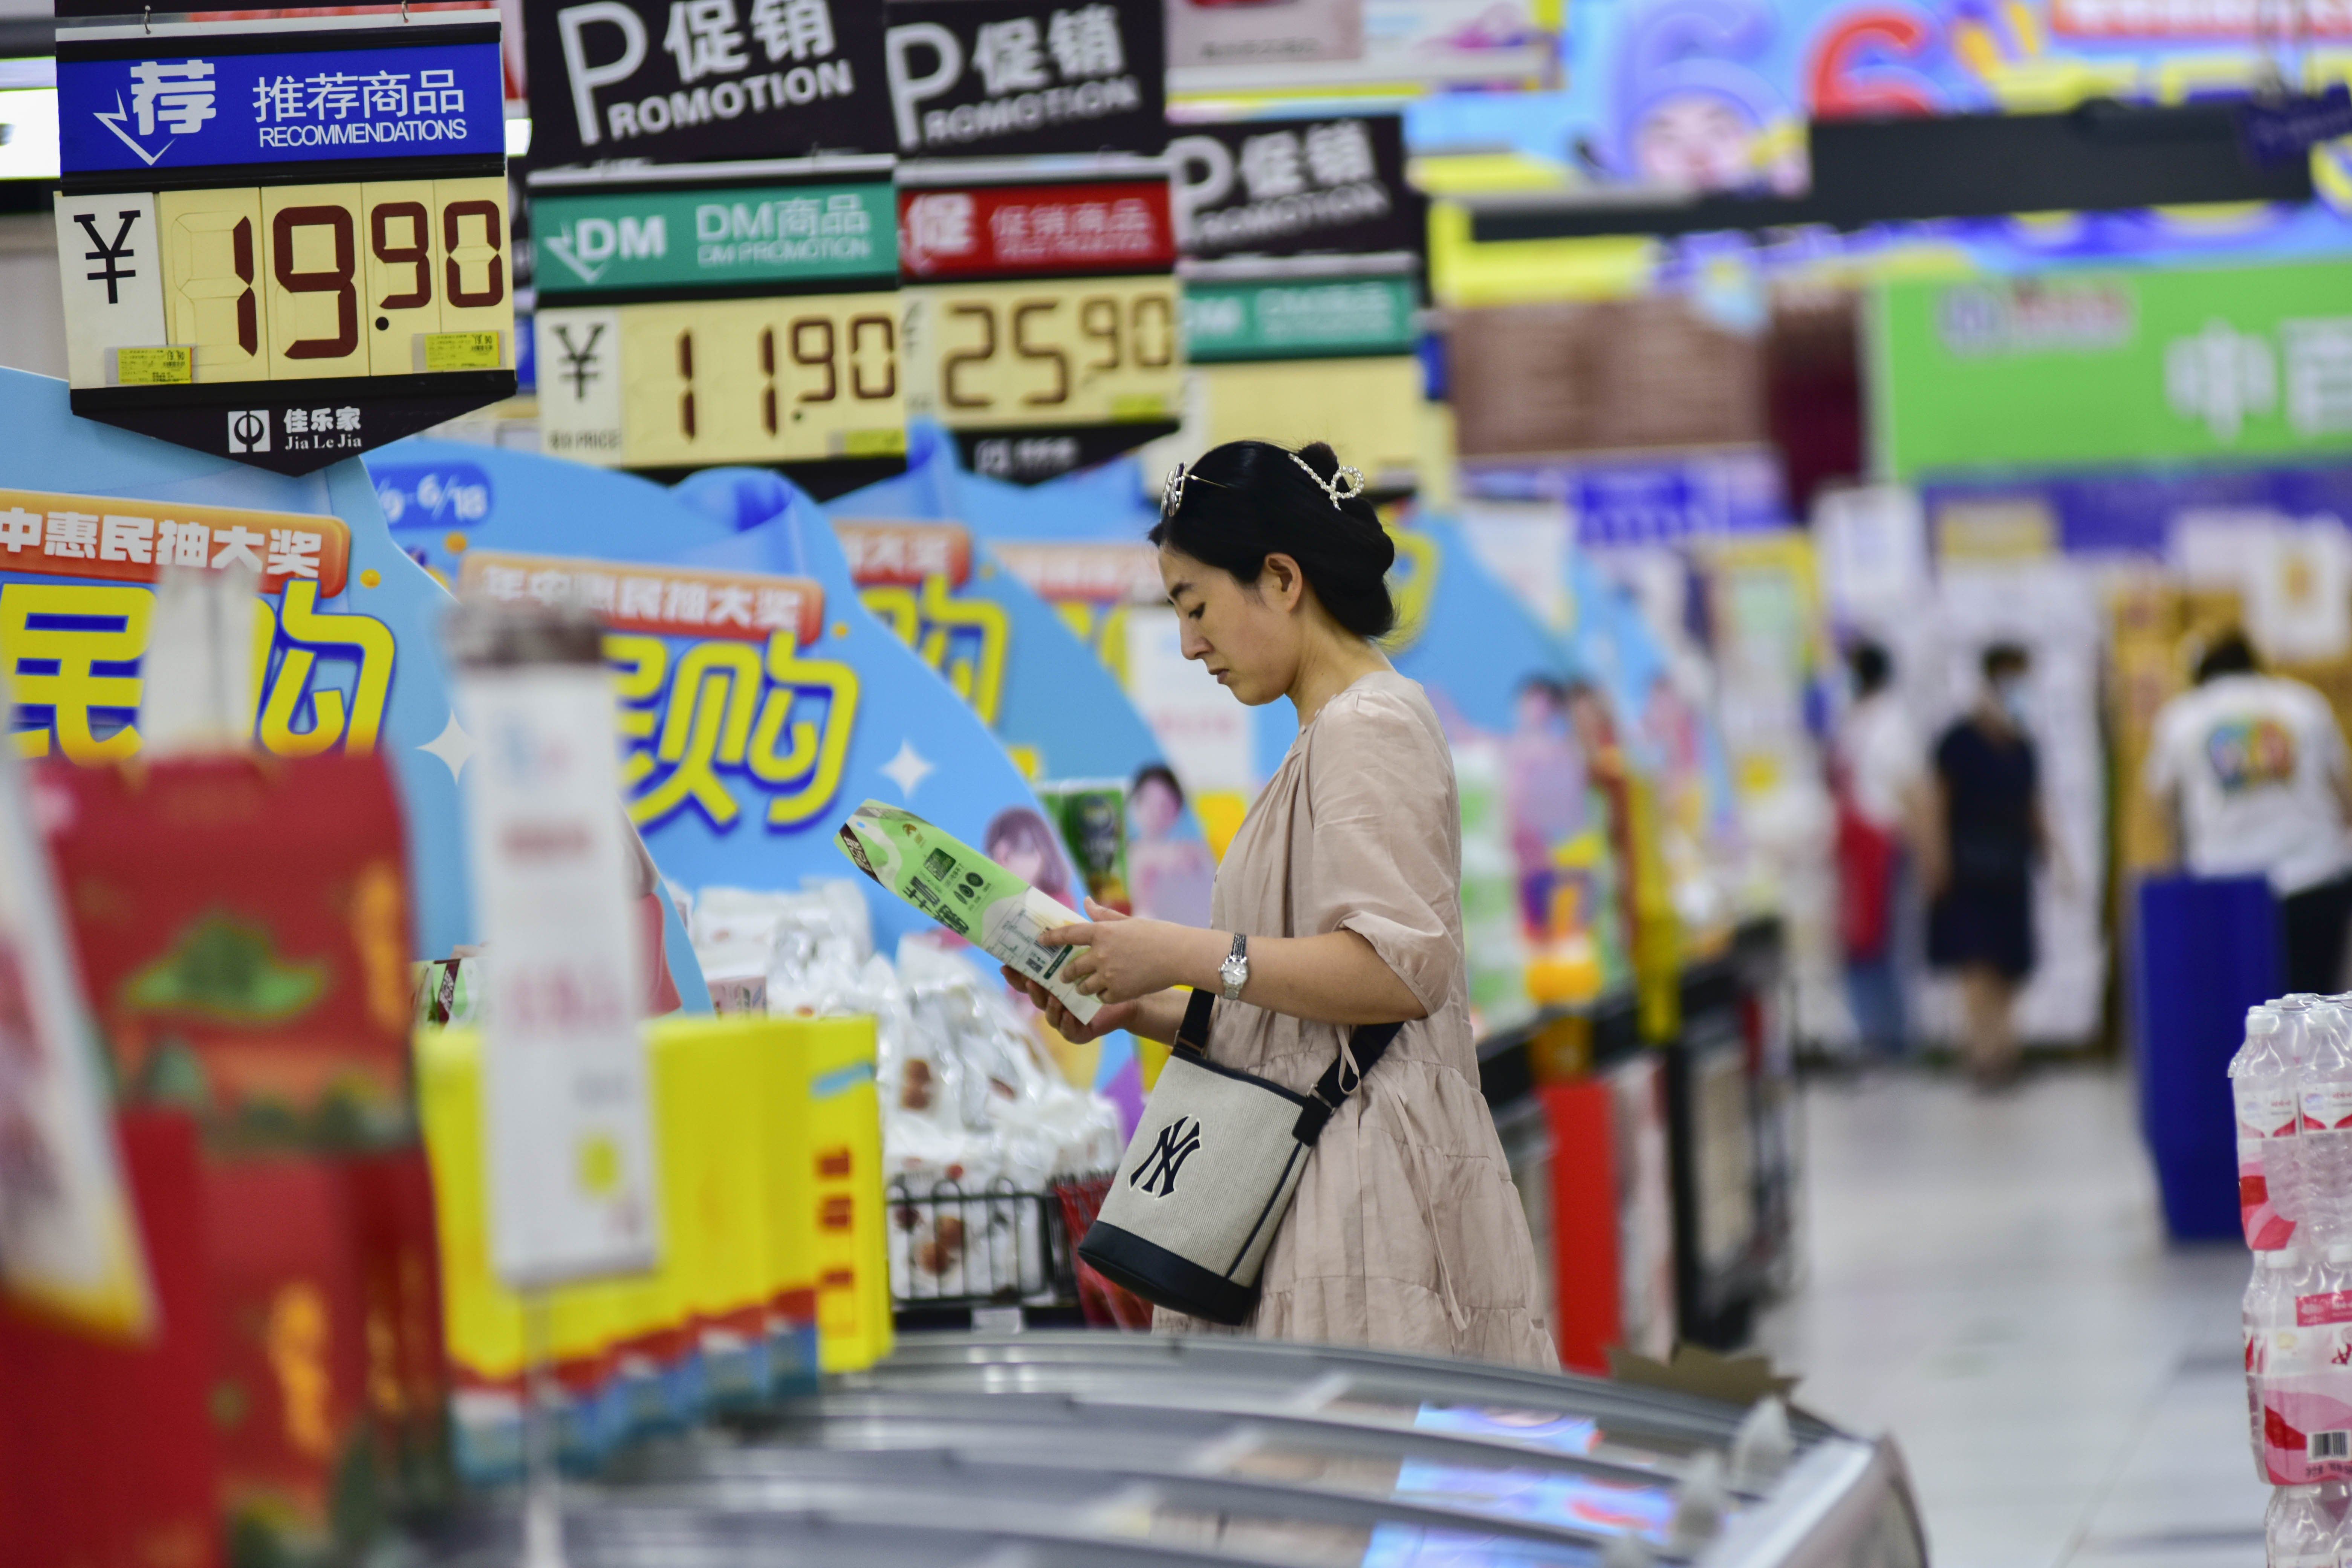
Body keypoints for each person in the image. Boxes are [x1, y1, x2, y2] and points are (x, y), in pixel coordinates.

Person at [1002, 440, 1556, 1368]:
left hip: (1364, 1203)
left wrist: (1178, 951)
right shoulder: (1330, 734)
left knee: (1338, 1488)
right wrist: (1143, 1001)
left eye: (1196, 605)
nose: (1188, 642)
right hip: (1330, 1181)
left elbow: (1390, 970)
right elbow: (1305, 1016)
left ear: (1281, 578)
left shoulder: (1365, 729)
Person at [2145, 629, 2352, 994]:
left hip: (2224, 882)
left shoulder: (2182, 717)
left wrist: (2177, 861)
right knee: (2313, 1008)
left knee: (2240, 1012)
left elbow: (2162, 806)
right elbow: (2343, 793)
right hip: (2313, 873)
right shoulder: (2305, 704)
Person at [1925, 643, 2052, 1090]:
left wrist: (2056, 858)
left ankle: (2005, 1047)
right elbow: (1937, 804)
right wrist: (1936, 859)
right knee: (1976, 965)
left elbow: (2034, 807)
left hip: (2011, 864)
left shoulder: (2021, 743)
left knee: (2009, 966)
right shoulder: (1957, 740)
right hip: (1968, 864)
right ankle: (1982, 1053)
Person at [1833, 641, 1924, 1057]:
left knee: (1882, 941)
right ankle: (1865, 1030)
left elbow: (1908, 788)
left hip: (1882, 842)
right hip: (1853, 842)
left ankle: (1890, 1037)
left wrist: (1923, 845)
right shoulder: (1854, 719)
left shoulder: (1892, 723)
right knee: (1857, 940)